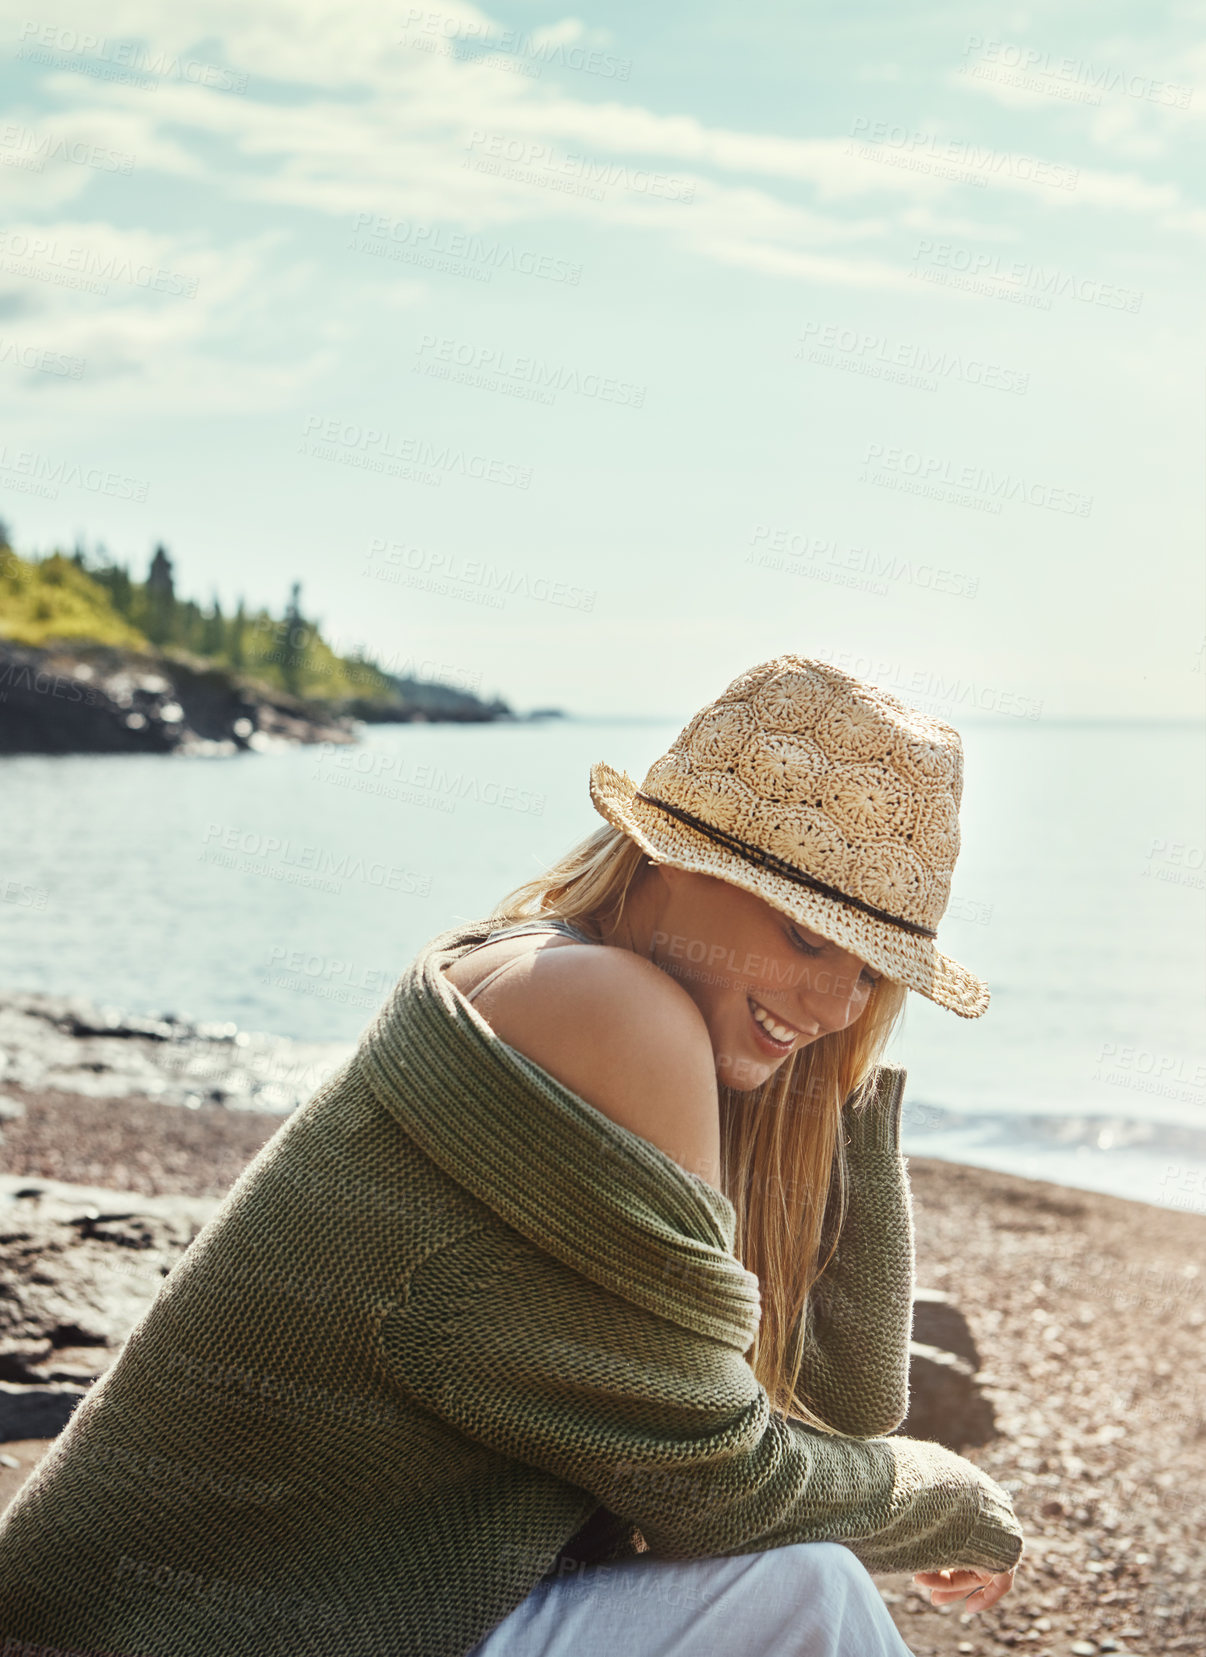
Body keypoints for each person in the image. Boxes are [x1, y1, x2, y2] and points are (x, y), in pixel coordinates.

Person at [0, 654, 1022, 1657]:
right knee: (807, 1593)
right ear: (671, 853)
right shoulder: (607, 1006)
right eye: (807, 936)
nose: (839, 1001)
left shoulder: (578, 977)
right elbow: (720, 1488)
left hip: (317, 1615)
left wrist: (833, 1076)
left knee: (803, 1580)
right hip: (180, 1631)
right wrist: (951, 1498)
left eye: (874, 971)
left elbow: (843, 1408)